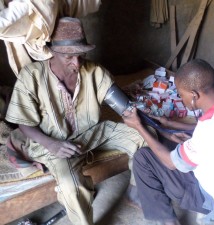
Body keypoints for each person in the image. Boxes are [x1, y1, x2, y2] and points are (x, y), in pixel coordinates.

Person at [5, 17, 149, 225]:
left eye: (81, 55)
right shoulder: (32, 77)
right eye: (69, 57)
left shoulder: (94, 71)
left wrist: (139, 114)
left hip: (94, 132)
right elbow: (23, 122)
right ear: (52, 51)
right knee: (70, 185)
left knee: (145, 137)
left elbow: (122, 105)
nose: (77, 63)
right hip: (55, 143)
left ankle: (135, 192)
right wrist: (51, 144)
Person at [122, 59, 214, 225]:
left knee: (143, 158)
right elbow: (210, 130)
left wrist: (138, 126)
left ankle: (167, 221)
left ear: (194, 95)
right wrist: (170, 124)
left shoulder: (211, 129)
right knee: (169, 140)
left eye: (181, 95)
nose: (180, 98)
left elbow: (170, 163)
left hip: (212, 200)